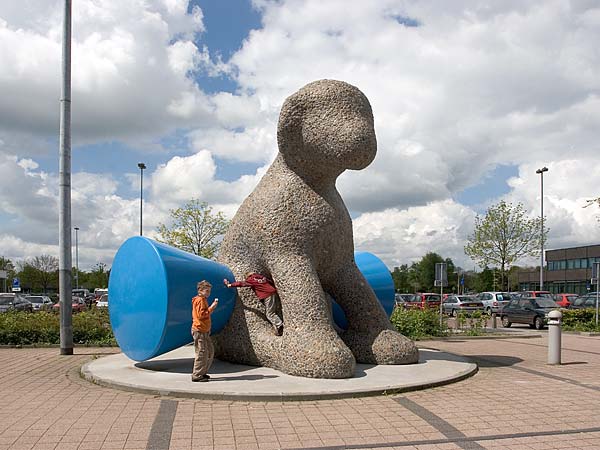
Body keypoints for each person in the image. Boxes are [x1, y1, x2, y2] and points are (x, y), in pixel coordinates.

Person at [191, 280, 218, 382]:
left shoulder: (203, 299)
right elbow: (201, 315)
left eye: (209, 291)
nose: (208, 293)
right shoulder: (200, 300)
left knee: (209, 352)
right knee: (202, 353)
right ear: (200, 290)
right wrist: (212, 307)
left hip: (204, 330)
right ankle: (197, 375)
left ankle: (202, 372)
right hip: (199, 330)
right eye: (206, 291)